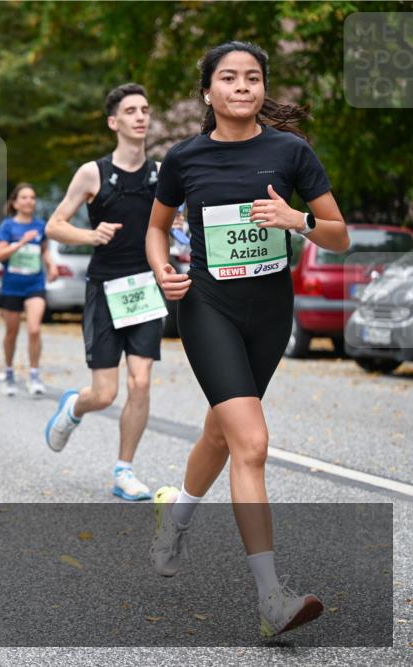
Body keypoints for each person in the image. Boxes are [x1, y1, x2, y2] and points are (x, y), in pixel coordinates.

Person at [145, 41, 349, 638]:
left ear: (263, 88)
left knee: (222, 427)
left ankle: (176, 517)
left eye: (253, 78)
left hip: (270, 313)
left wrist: (298, 222)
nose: (242, 87)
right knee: (251, 441)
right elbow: (157, 230)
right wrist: (164, 270)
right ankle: (271, 599)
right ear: (207, 92)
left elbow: (339, 235)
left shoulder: (290, 151)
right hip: (208, 308)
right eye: (229, 78)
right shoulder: (184, 158)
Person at [43, 83, 164, 502]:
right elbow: (54, 225)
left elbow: (172, 223)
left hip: (145, 288)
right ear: (114, 122)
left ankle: (123, 469)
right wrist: (90, 234)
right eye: (131, 110)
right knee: (105, 393)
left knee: (142, 381)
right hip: (105, 290)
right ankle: (76, 406)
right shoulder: (93, 173)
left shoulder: (160, 174)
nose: (140, 117)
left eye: (145, 110)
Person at [0, 183, 57, 396]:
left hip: (35, 284)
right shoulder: (7, 226)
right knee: (11, 332)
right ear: (15, 203)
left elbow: (44, 251)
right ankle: (9, 372)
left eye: (32, 197)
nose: (29, 201)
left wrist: (52, 265)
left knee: (34, 329)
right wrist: (21, 243)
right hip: (12, 286)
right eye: (24, 197)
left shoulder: (41, 226)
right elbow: (0, 255)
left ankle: (34, 374)